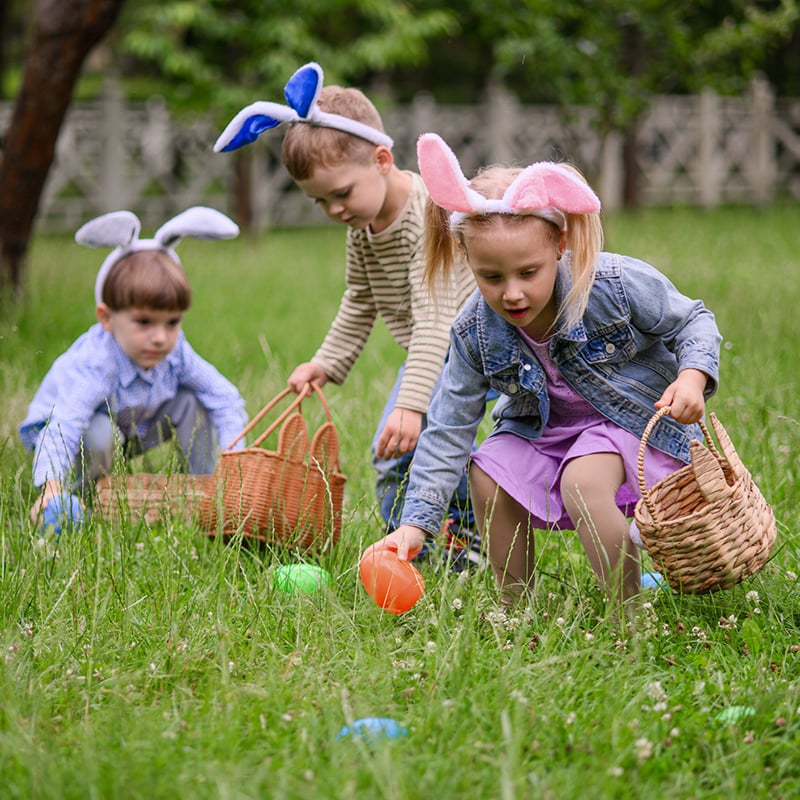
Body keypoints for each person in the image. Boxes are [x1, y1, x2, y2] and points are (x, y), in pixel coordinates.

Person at [363, 132, 722, 607]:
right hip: (547, 433)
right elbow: (449, 425)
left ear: (559, 243)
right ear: (467, 258)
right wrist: (417, 522)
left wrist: (692, 376)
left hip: (629, 423)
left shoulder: (610, 282)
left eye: (527, 273)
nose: (512, 293)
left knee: (583, 481)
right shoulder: (473, 330)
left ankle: (627, 614)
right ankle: (516, 610)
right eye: (492, 277)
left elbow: (692, 319)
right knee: (487, 474)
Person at [214, 63, 481, 568]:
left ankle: (461, 545)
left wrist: (411, 403)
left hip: (480, 349)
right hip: (438, 358)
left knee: (418, 446)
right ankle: (410, 554)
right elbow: (359, 301)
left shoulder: (431, 215)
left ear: (382, 159)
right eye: (320, 202)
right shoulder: (361, 229)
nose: (335, 210)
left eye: (341, 194)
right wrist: (325, 363)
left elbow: (435, 316)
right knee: (394, 455)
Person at [20, 207, 248, 524]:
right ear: (107, 318)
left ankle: (206, 494)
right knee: (99, 433)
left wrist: (236, 460)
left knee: (195, 405)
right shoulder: (98, 361)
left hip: (131, 426)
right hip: (73, 435)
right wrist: (51, 486)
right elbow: (65, 424)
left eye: (172, 322)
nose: (160, 337)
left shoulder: (176, 350)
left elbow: (224, 396)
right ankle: (78, 500)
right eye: (144, 322)